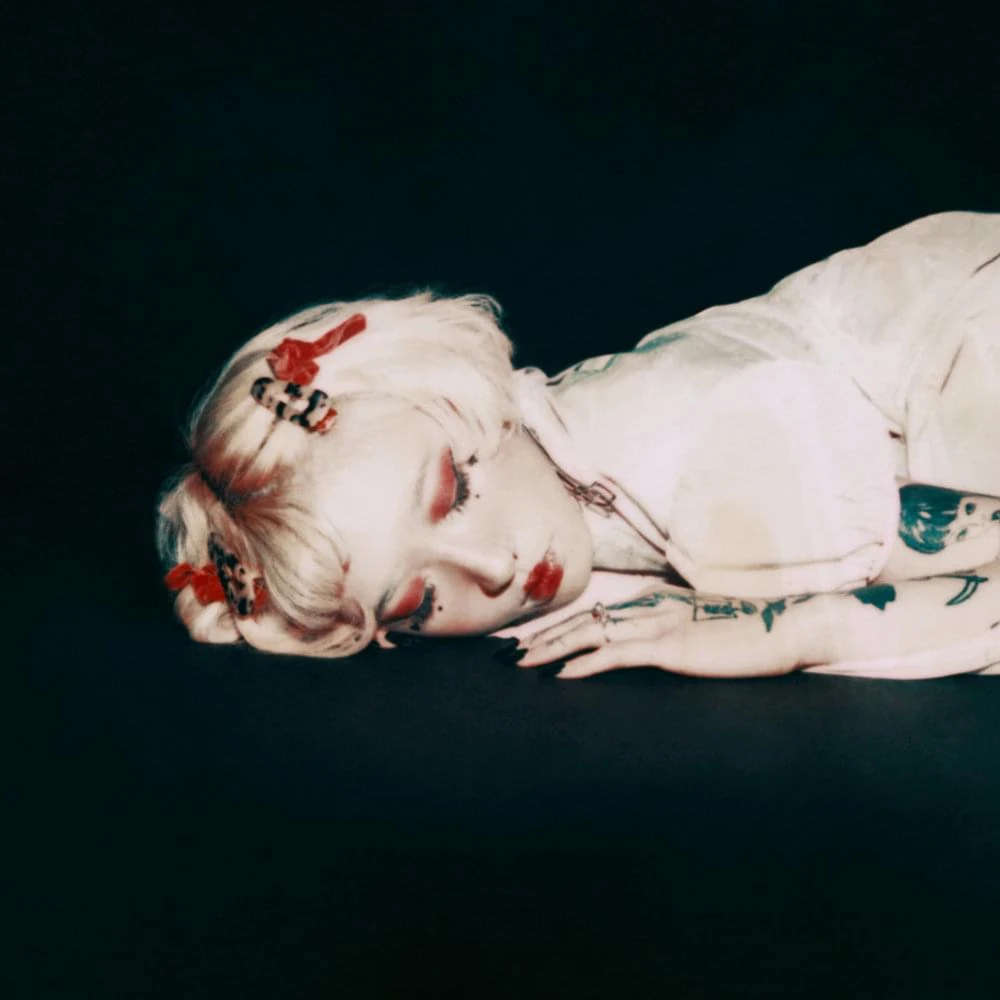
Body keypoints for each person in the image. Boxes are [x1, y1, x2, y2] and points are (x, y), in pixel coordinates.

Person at [157, 210, 1000, 679]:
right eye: (418, 603)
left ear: (477, 404)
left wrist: (788, 632)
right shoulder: (545, 502)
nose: (492, 568)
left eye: (456, 493)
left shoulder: (694, 430)